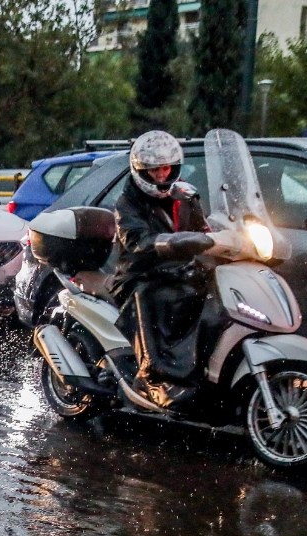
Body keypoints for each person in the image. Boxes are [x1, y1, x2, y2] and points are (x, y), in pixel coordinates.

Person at [110, 130, 217, 409]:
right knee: (149, 297)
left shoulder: (186, 195)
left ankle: (203, 370)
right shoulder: (128, 202)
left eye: (166, 168)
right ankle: (152, 377)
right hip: (138, 275)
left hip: (178, 270)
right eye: (155, 170)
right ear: (141, 170)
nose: (161, 175)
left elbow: (203, 228)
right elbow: (137, 241)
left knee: (212, 294)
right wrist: (173, 242)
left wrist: (225, 238)